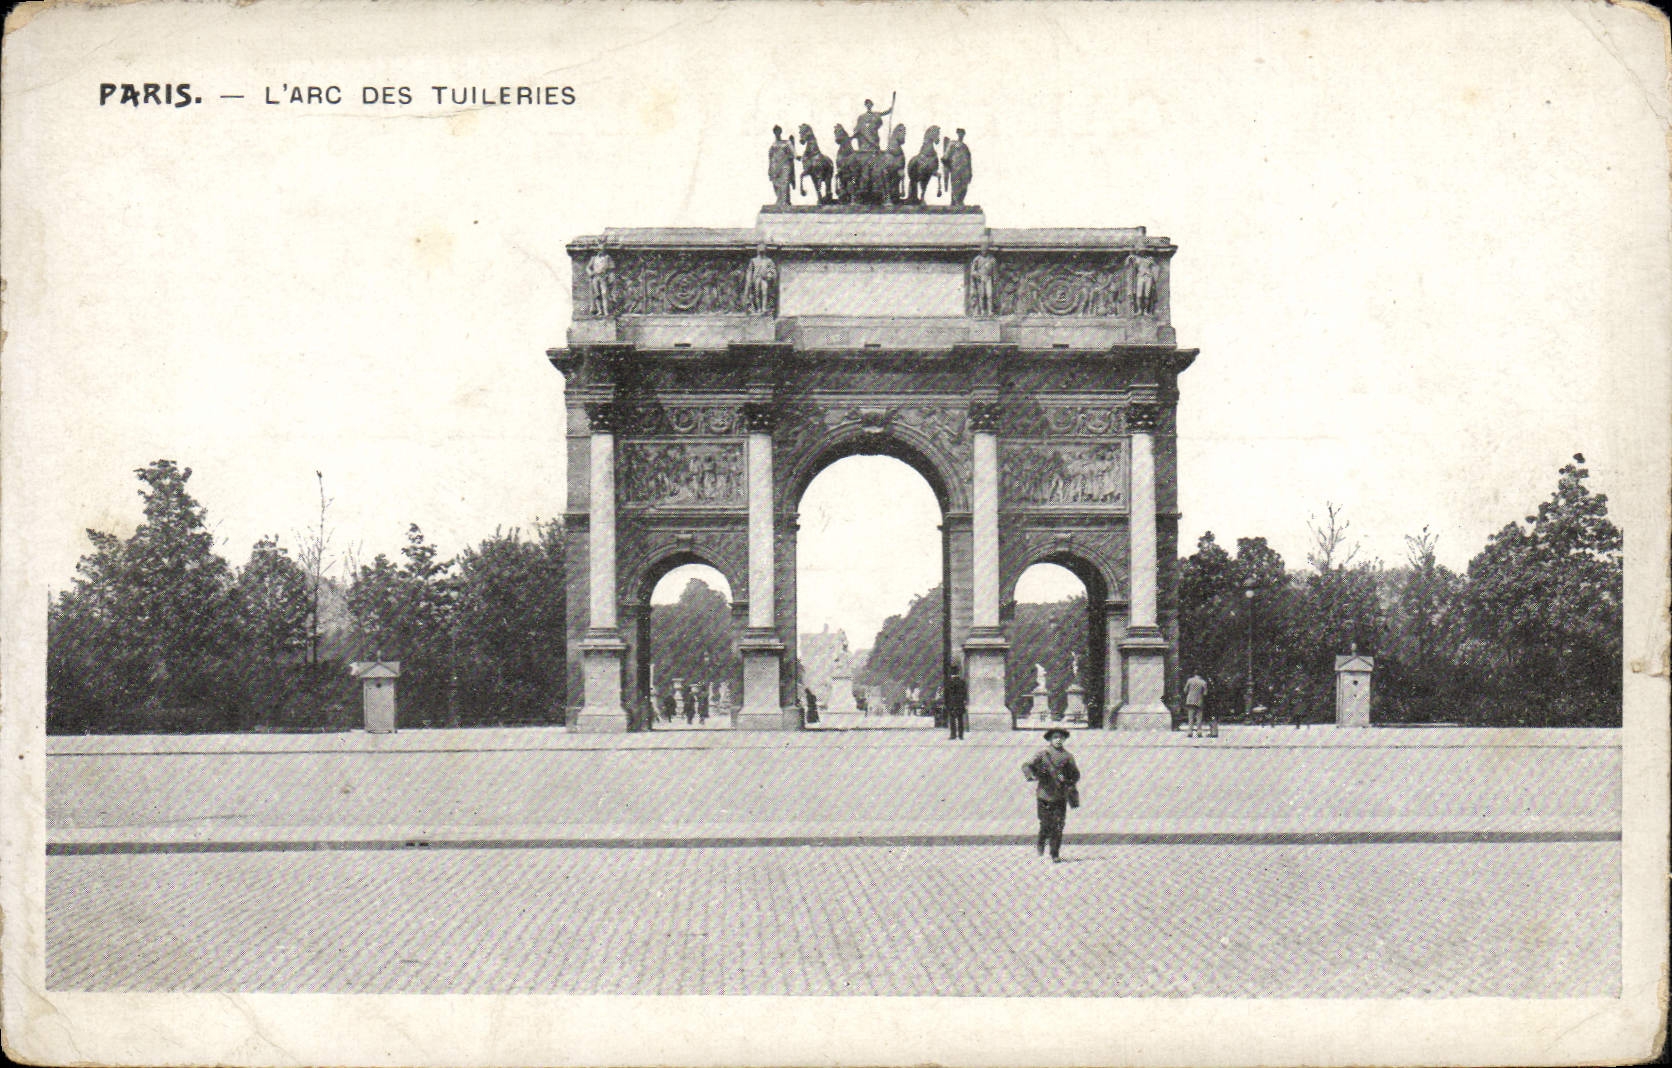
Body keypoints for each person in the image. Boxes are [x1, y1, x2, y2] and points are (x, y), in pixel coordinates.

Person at [1022, 727, 1080, 862]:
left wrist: (1067, 779)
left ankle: (1055, 853)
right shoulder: (1043, 754)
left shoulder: (1068, 756)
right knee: (1045, 823)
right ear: (1050, 739)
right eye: (1055, 737)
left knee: (1058, 825)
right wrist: (1031, 775)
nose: (1058, 740)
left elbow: (1076, 775)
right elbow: (1026, 765)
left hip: (1060, 796)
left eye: (1061, 738)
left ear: (1064, 739)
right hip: (1044, 795)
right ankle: (1041, 841)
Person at [944, 663, 968, 740]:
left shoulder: (949, 682)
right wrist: (964, 701)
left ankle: (953, 734)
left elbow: (946, 694)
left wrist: (946, 703)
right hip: (960, 703)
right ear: (958, 673)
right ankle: (961, 735)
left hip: (952, 703)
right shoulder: (962, 682)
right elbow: (965, 693)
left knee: (952, 719)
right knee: (960, 719)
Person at [1184, 671, 1209, 737]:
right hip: (1199, 701)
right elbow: (1205, 693)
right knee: (1199, 717)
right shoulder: (1203, 682)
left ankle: (1190, 731)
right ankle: (1199, 732)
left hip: (1190, 701)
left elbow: (1185, 690)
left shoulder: (1189, 680)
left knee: (1190, 717)